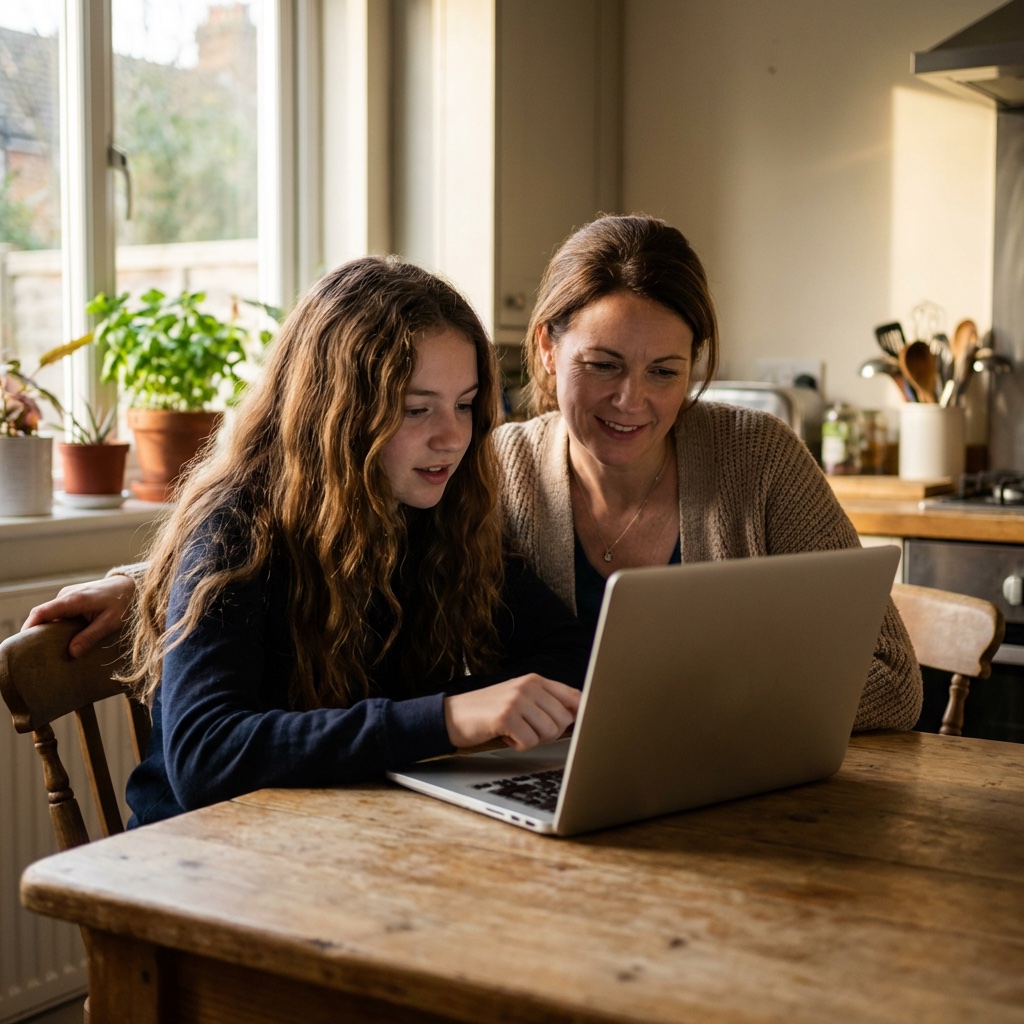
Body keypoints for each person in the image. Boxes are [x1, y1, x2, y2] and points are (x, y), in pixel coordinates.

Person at [27, 215, 921, 736]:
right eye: (602, 364)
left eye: (666, 370)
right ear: (546, 349)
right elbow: (291, 519)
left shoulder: (752, 459)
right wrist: (148, 585)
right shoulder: (484, 474)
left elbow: (891, 680)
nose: (631, 401)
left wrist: (696, 704)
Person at [47, 256, 589, 826]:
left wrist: (468, 709)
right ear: (336, 412)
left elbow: (570, 654)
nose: (453, 437)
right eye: (416, 408)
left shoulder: (435, 513)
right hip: (195, 861)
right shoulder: (236, 528)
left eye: (464, 404)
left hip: (332, 834)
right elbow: (205, 754)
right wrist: (444, 718)